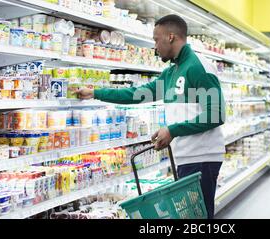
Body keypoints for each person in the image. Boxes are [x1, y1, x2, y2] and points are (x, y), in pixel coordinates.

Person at [76, 14, 225, 219]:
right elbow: (135, 94)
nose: (155, 47)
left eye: (156, 39)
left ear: (171, 37)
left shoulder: (198, 66)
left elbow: (216, 114)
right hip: (185, 157)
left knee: (198, 218)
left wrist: (172, 130)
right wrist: (95, 93)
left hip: (202, 158)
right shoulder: (172, 72)